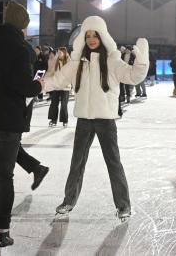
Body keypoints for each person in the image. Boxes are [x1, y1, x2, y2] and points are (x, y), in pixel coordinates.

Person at [43, 15, 149, 222]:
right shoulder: (77, 62)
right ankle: (69, 200)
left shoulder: (112, 60)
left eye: (95, 35)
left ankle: (123, 205)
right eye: (88, 35)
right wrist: (38, 86)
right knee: (77, 162)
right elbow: (58, 79)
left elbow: (133, 77)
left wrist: (142, 60)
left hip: (105, 120)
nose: (91, 39)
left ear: (103, 36)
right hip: (84, 118)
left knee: (113, 162)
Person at [0, 0, 44, 247]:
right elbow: (24, 86)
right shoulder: (20, 47)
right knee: (5, 177)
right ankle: (2, 230)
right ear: (23, 25)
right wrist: (39, 84)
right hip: (7, 122)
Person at [46, 47, 70, 127]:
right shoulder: (55, 62)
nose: (59, 54)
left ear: (64, 53)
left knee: (64, 104)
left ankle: (64, 121)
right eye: (58, 53)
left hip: (65, 87)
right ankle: (53, 120)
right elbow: (50, 72)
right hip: (56, 86)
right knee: (54, 103)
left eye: (60, 53)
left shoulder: (69, 62)